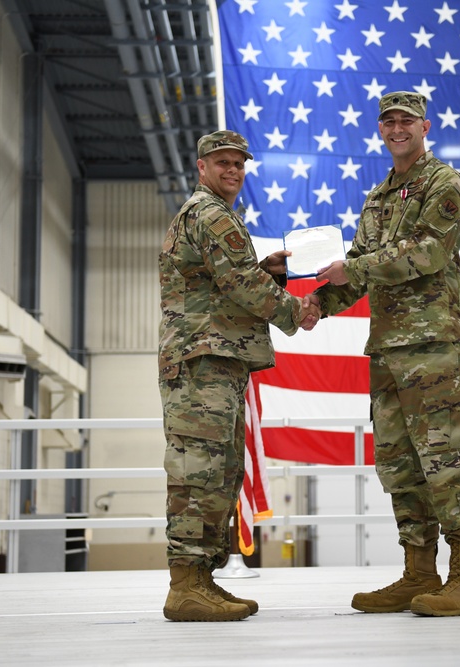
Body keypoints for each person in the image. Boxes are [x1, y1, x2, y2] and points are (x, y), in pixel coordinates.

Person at [309, 92, 460, 617]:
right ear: (380, 130)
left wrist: (353, 270)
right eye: (388, 122)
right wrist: (312, 302)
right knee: (400, 465)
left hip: (433, 347)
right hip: (388, 349)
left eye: (406, 120)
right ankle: (418, 574)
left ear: (425, 126)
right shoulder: (378, 197)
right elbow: (360, 267)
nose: (396, 128)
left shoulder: (445, 184)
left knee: (445, 460)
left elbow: (431, 251)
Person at [158, 130, 319, 622]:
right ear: (202, 166)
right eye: (222, 162)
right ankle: (185, 583)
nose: (232, 170)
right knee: (197, 472)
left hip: (217, 359)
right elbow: (237, 282)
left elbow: (226, 280)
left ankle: (202, 578)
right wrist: (296, 311)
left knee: (221, 474)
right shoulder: (209, 213)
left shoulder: (218, 215)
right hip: (201, 360)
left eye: (239, 163)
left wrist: (263, 268)